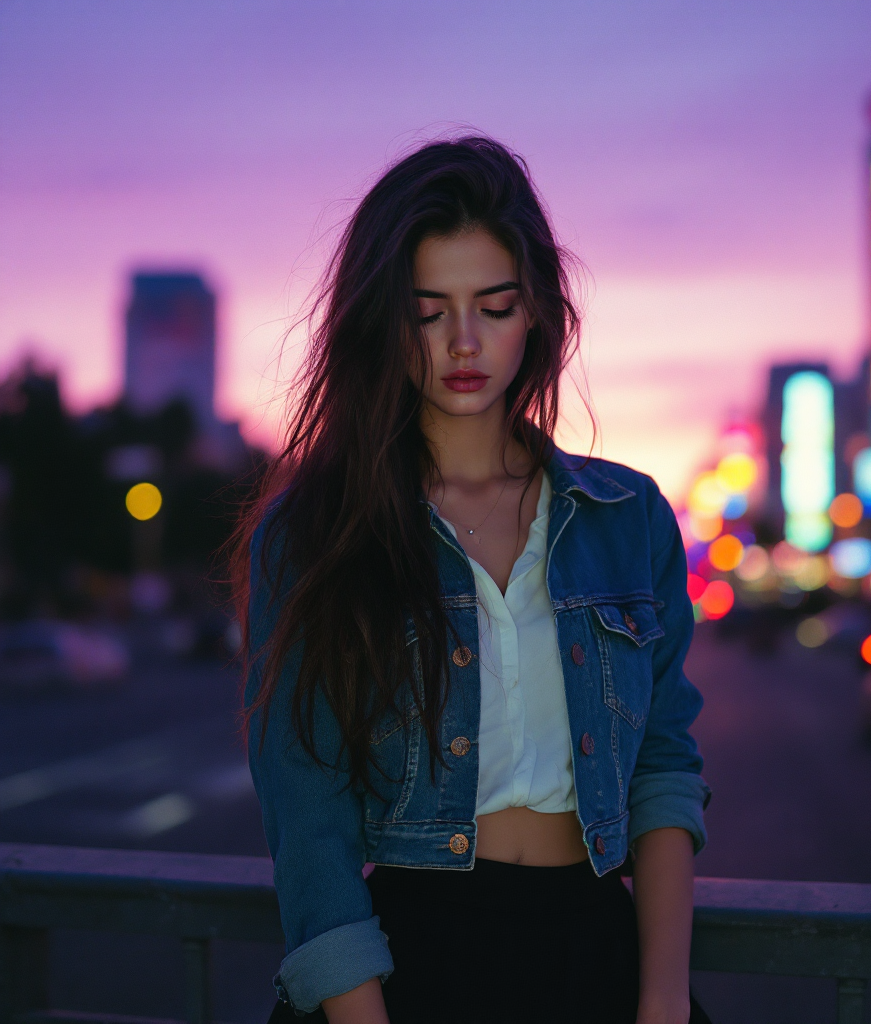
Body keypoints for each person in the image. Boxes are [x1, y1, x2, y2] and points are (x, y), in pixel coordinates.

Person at [235, 136, 712, 1024]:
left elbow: (662, 767)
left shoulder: (627, 518)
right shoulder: (315, 536)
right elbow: (310, 825)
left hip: (594, 952)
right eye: (429, 312)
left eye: (493, 306)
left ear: (535, 312)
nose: (464, 341)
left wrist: (662, 1001)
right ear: (387, 322)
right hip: (409, 967)